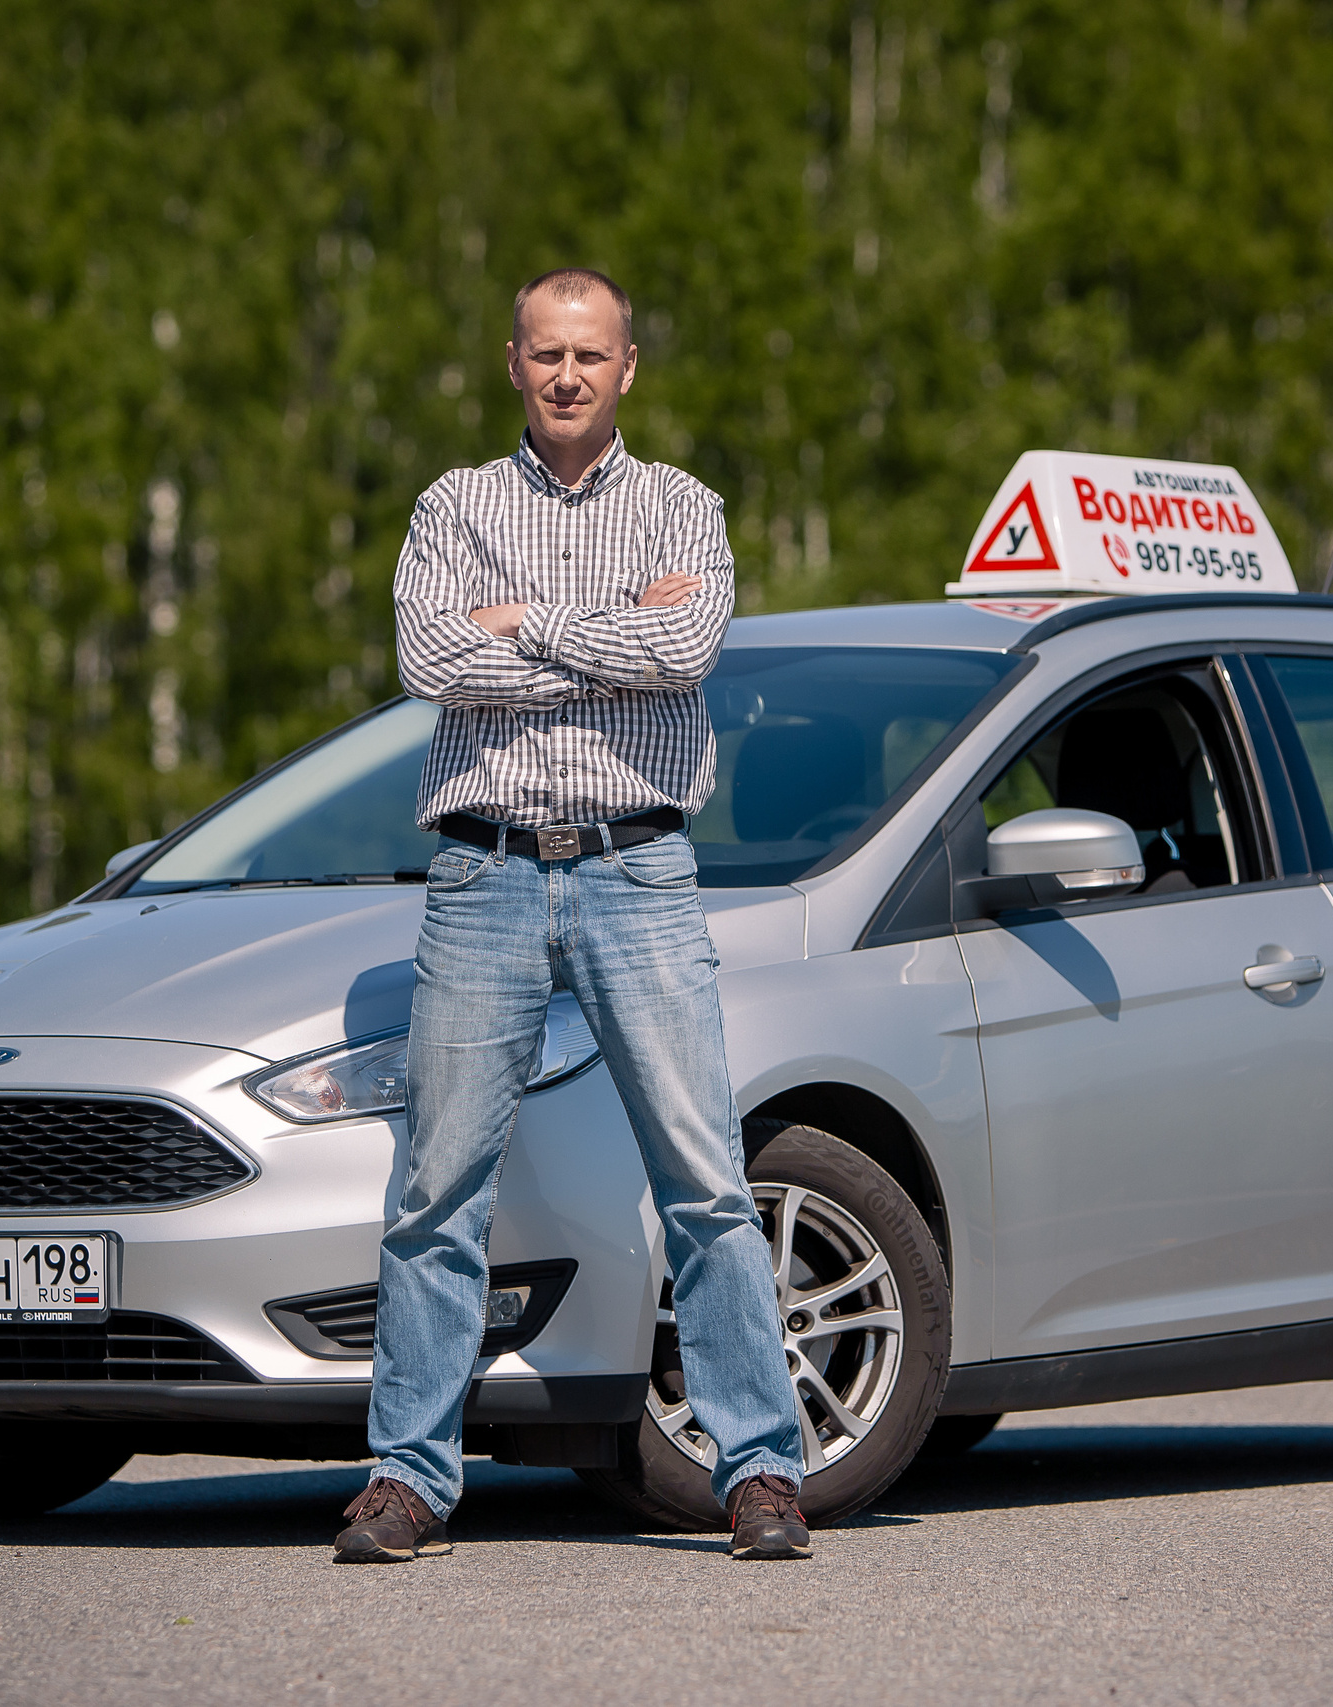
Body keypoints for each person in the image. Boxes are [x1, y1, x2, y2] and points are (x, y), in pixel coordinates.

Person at [333, 267, 812, 1564]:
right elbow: (430, 660)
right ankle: (408, 1480)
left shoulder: (684, 508)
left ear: (627, 368)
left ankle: (761, 1472)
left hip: (637, 871)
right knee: (437, 1190)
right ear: (513, 362)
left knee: (705, 1181)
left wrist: (525, 625)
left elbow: (685, 651)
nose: (566, 375)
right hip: (481, 876)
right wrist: (605, 637)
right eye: (546, 353)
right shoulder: (453, 506)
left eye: (589, 355)